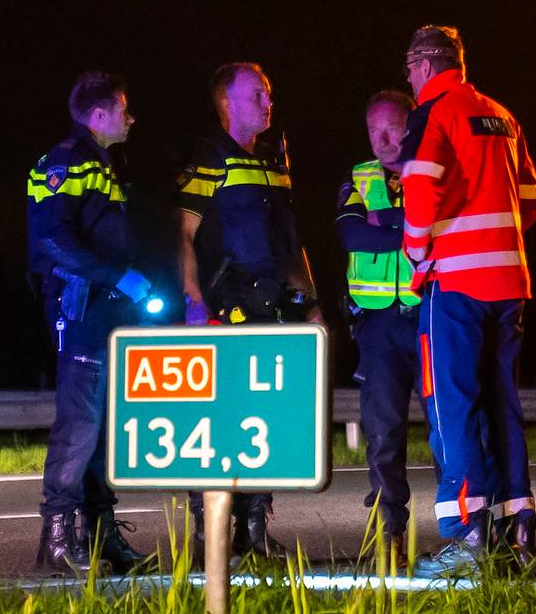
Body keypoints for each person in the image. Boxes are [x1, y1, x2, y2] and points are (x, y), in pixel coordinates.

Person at [398, 26, 536, 575]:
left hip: (455, 282)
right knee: (502, 404)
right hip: (509, 281)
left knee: (451, 406)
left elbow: (420, 187)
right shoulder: (501, 115)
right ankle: (517, 530)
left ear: (424, 65)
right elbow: (531, 198)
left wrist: (418, 252)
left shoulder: (433, 113)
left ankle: (467, 536)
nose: (410, 81)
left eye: (409, 71)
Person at [176, 62, 323, 560]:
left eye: (269, 94)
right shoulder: (208, 157)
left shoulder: (275, 160)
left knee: (267, 418)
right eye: (256, 95)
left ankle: (255, 531)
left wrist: (310, 302)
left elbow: (291, 241)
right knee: (220, 419)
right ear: (227, 103)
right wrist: (194, 301)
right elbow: (184, 233)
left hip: (273, 308)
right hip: (225, 308)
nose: (268, 103)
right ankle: (210, 534)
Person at [26, 71, 151, 575]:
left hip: (107, 309)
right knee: (79, 425)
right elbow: (52, 239)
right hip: (80, 309)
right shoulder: (64, 161)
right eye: (123, 109)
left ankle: (101, 536)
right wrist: (118, 275)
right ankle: (56, 541)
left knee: (102, 429)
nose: (132, 118)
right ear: (99, 115)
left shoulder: (105, 163)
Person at [334, 89, 425, 550]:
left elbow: (437, 231)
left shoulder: (431, 171)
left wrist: (382, 219)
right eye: (374, 130)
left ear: (412, 126)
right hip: (377, 326)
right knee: (383, 431)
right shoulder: (358, 176)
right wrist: (405, 224)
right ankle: (389, 529)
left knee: (446, 429)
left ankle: (463, 528)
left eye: (392, 128)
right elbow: (352, 236)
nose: (383, 139)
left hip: (428, 315)